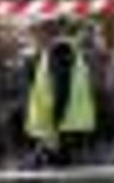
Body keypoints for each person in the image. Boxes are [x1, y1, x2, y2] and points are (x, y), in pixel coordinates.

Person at [24, 32, 97, 167]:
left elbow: (61, 90)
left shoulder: (59, 51)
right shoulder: (69, 53)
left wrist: (55, 127)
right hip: (68, 126)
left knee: (53, 170)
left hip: (61, 126)